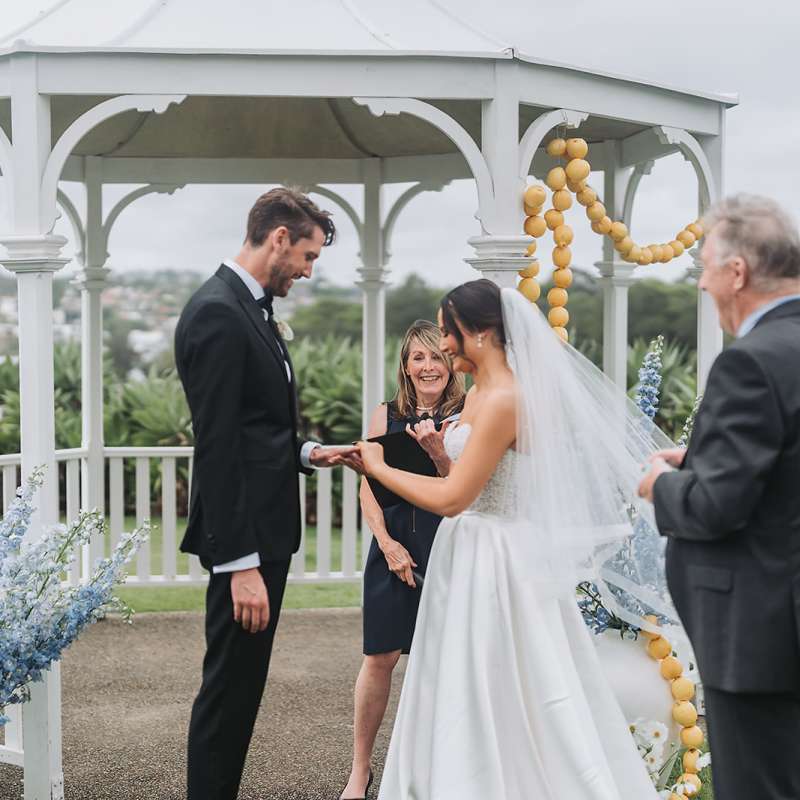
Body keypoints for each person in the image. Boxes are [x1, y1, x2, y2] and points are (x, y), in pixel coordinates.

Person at [353, 279, 666, 800]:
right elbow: (465, 479)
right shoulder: (477, 394)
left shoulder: (506, 399)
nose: (444, 346)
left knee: (505, 678)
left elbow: (454, 498)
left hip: (498, 556)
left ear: (476, 331)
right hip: (468, 548)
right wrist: (429, 458)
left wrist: (377, 466)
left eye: (447, 333)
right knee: (459, 680)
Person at [175, 187, 357, 800]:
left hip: (264, 531)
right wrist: (239, 564)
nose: (307, 272)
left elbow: (256, 430)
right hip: (244, 543)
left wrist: (307, 451)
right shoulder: (218, 313)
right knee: (229, 691)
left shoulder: (250, 309)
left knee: (243, 689)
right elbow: (219, 446)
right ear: (278, 238)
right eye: (306, 257)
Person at [639, 194, 800, 800]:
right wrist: (703, 462)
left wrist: (663, 485)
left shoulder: (752, 364)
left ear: (738, 273)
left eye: (705, 266)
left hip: (761, 638)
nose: (702, 283)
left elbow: (715, 509)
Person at [340, 320, 465, 800]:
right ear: (406, 366)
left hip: (447, 545)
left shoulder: (467, 413)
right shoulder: (383, 415)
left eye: (436, 356)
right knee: (380, 657)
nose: (428, 365)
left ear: (450, 363)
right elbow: (368, 485)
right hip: (392, 545)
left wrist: (439, 455)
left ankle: (436, 769)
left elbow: (462, 484)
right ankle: (360, 769)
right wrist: (386, 543)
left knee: (444, 659)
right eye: (419, 357)